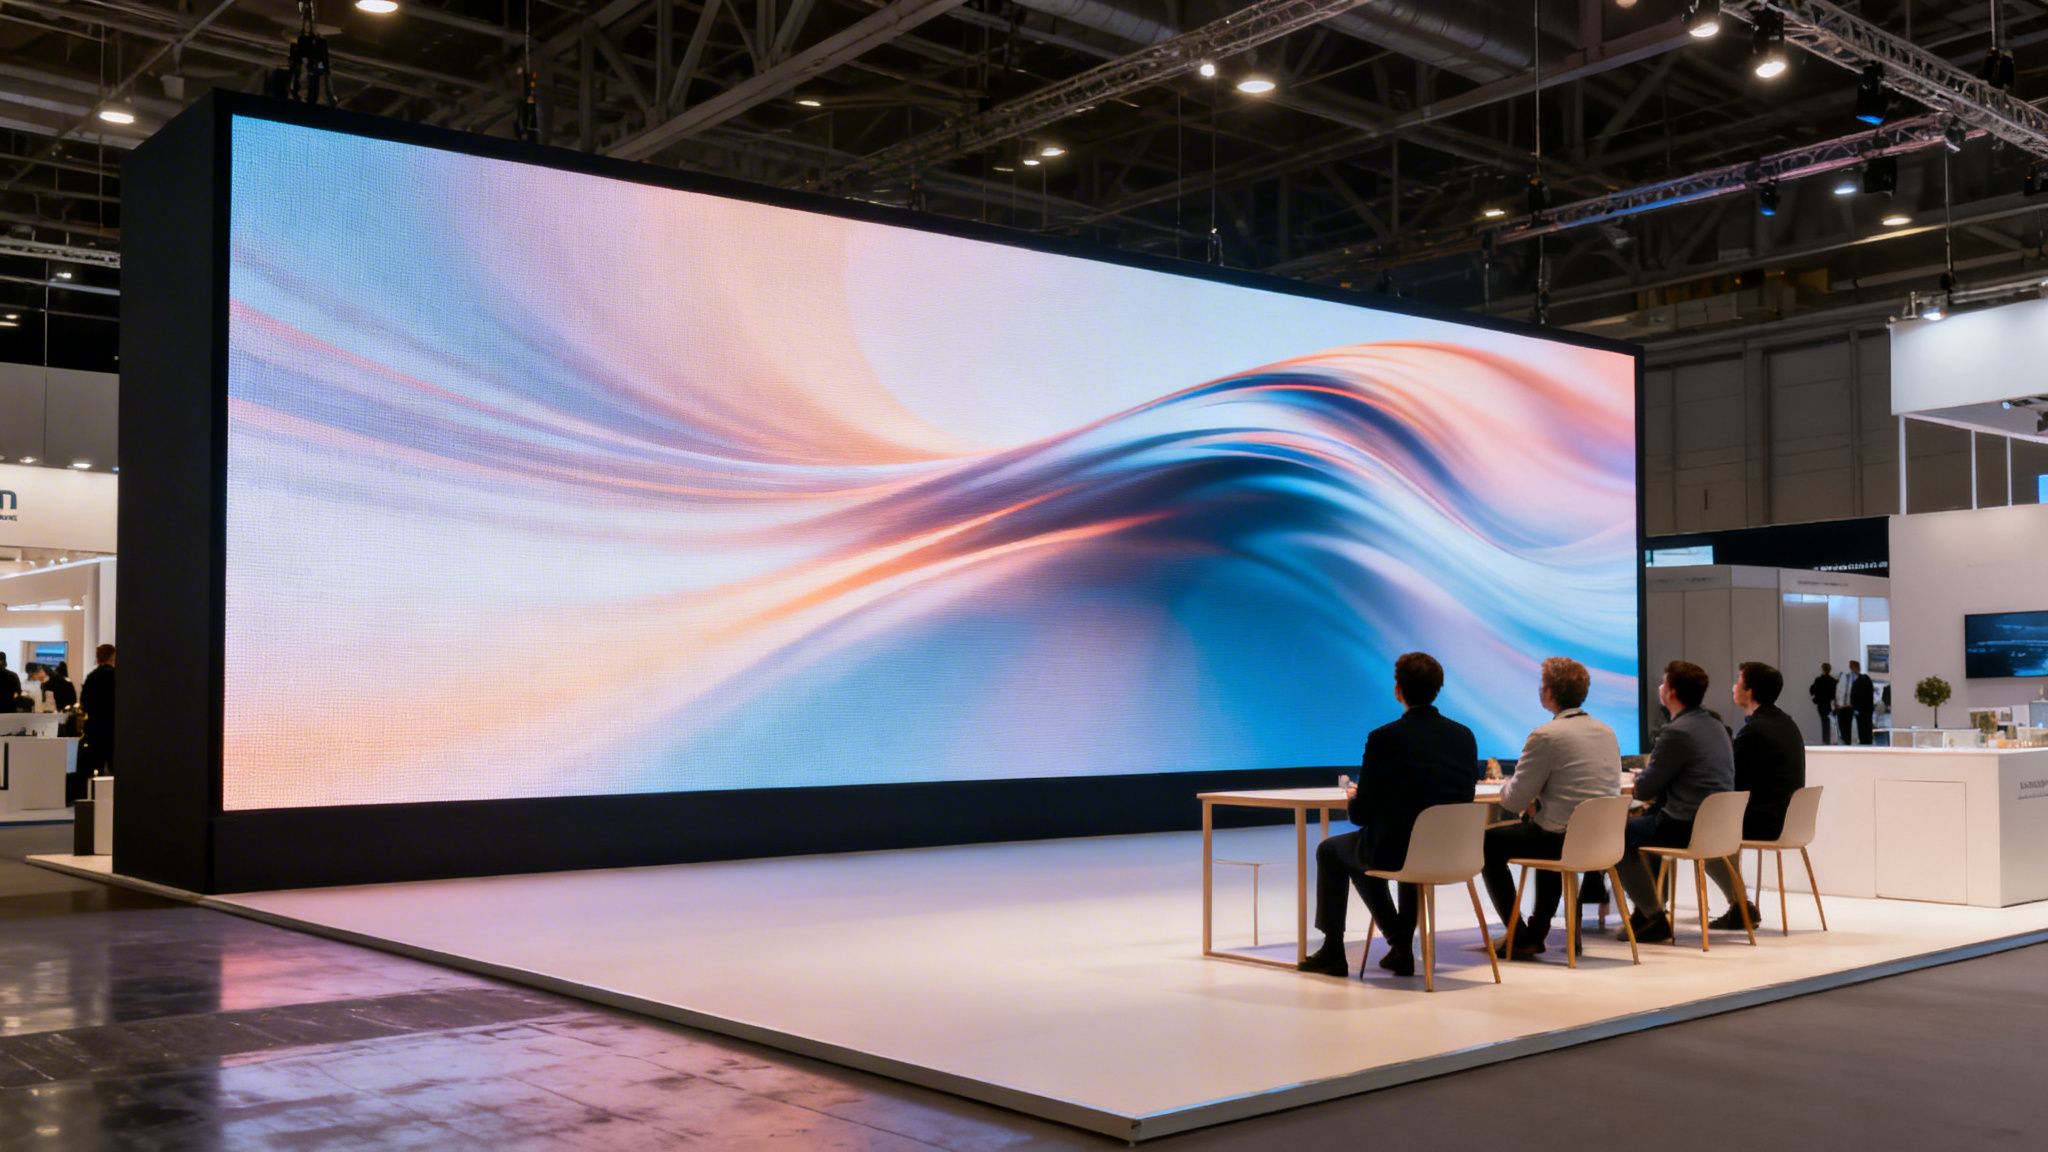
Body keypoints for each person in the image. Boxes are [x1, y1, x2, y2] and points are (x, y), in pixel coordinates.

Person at [1299, 652, 1478, 978]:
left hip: (1397, 849)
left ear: (1398, 690)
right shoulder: (1464, 736)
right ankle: (1398, 947)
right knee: (1379, 849)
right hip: (1454, 850)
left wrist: (1353, 798)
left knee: (1334, 851)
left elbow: (1362, 814)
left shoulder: (1385, 738)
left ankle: (1336, 952)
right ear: (1438, 688)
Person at [1479, 657, 1622, 959]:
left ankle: (1519, 934)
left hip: (1561, 839)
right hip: (1603, 840)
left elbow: (1513, 800)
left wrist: (1508, 787)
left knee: (1488, 843)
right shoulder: (1607, 732)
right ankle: (1535, 932)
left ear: (1549, 693)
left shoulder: (1546, 735)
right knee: (1544, 827)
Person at [1613, 660, 1734, 944]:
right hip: (1713, 824)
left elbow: (1644, 789)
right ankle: (1645, 913)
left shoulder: (1676, 732)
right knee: (1644, 826)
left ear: (1672, 692)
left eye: (1664, 682)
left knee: (1617, 834)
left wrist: (1643, 777)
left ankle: (1654, 915)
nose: (1660, 687)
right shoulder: (1715, 726)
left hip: (1685, 824)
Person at [1704, 662, 1806, 928]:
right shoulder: (1785, 723)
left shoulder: (1756, 731)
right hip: (1786, 818)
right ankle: (1740, 907)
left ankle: (1741, 907)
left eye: (1738, 682)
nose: (1734, 687)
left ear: (1749, 692)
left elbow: (1732, 781)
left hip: (1766, 820)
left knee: (1707, 838)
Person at [76, 644, 116, 803]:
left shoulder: (92, 677)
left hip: (95, 727)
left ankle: (93, 798)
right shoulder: (117, 676)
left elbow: (84, 703)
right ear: (112, 656)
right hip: (114, 727)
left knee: (95, 766)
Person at [1807, 663, 1839, 745]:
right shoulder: (1833, 681)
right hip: (1829, 704)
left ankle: (1825, 741)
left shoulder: (1819, 680)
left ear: (1822, 669)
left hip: (1821, 704)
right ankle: (1828, 741)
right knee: (1829, 723)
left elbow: (1811, 690)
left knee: (1824, 722)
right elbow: (1834, 694)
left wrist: (1816, 698)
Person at [1847, 660, 1877, 745]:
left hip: (1863, 709)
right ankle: (1866, 743)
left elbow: (1860, 695)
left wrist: (1856, 706)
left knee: (1864, 728)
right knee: (1864, 728)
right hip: (1865, 709)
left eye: (1852, 667)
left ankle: (1866, 744)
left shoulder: (1862, 679)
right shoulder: (1865, 679)